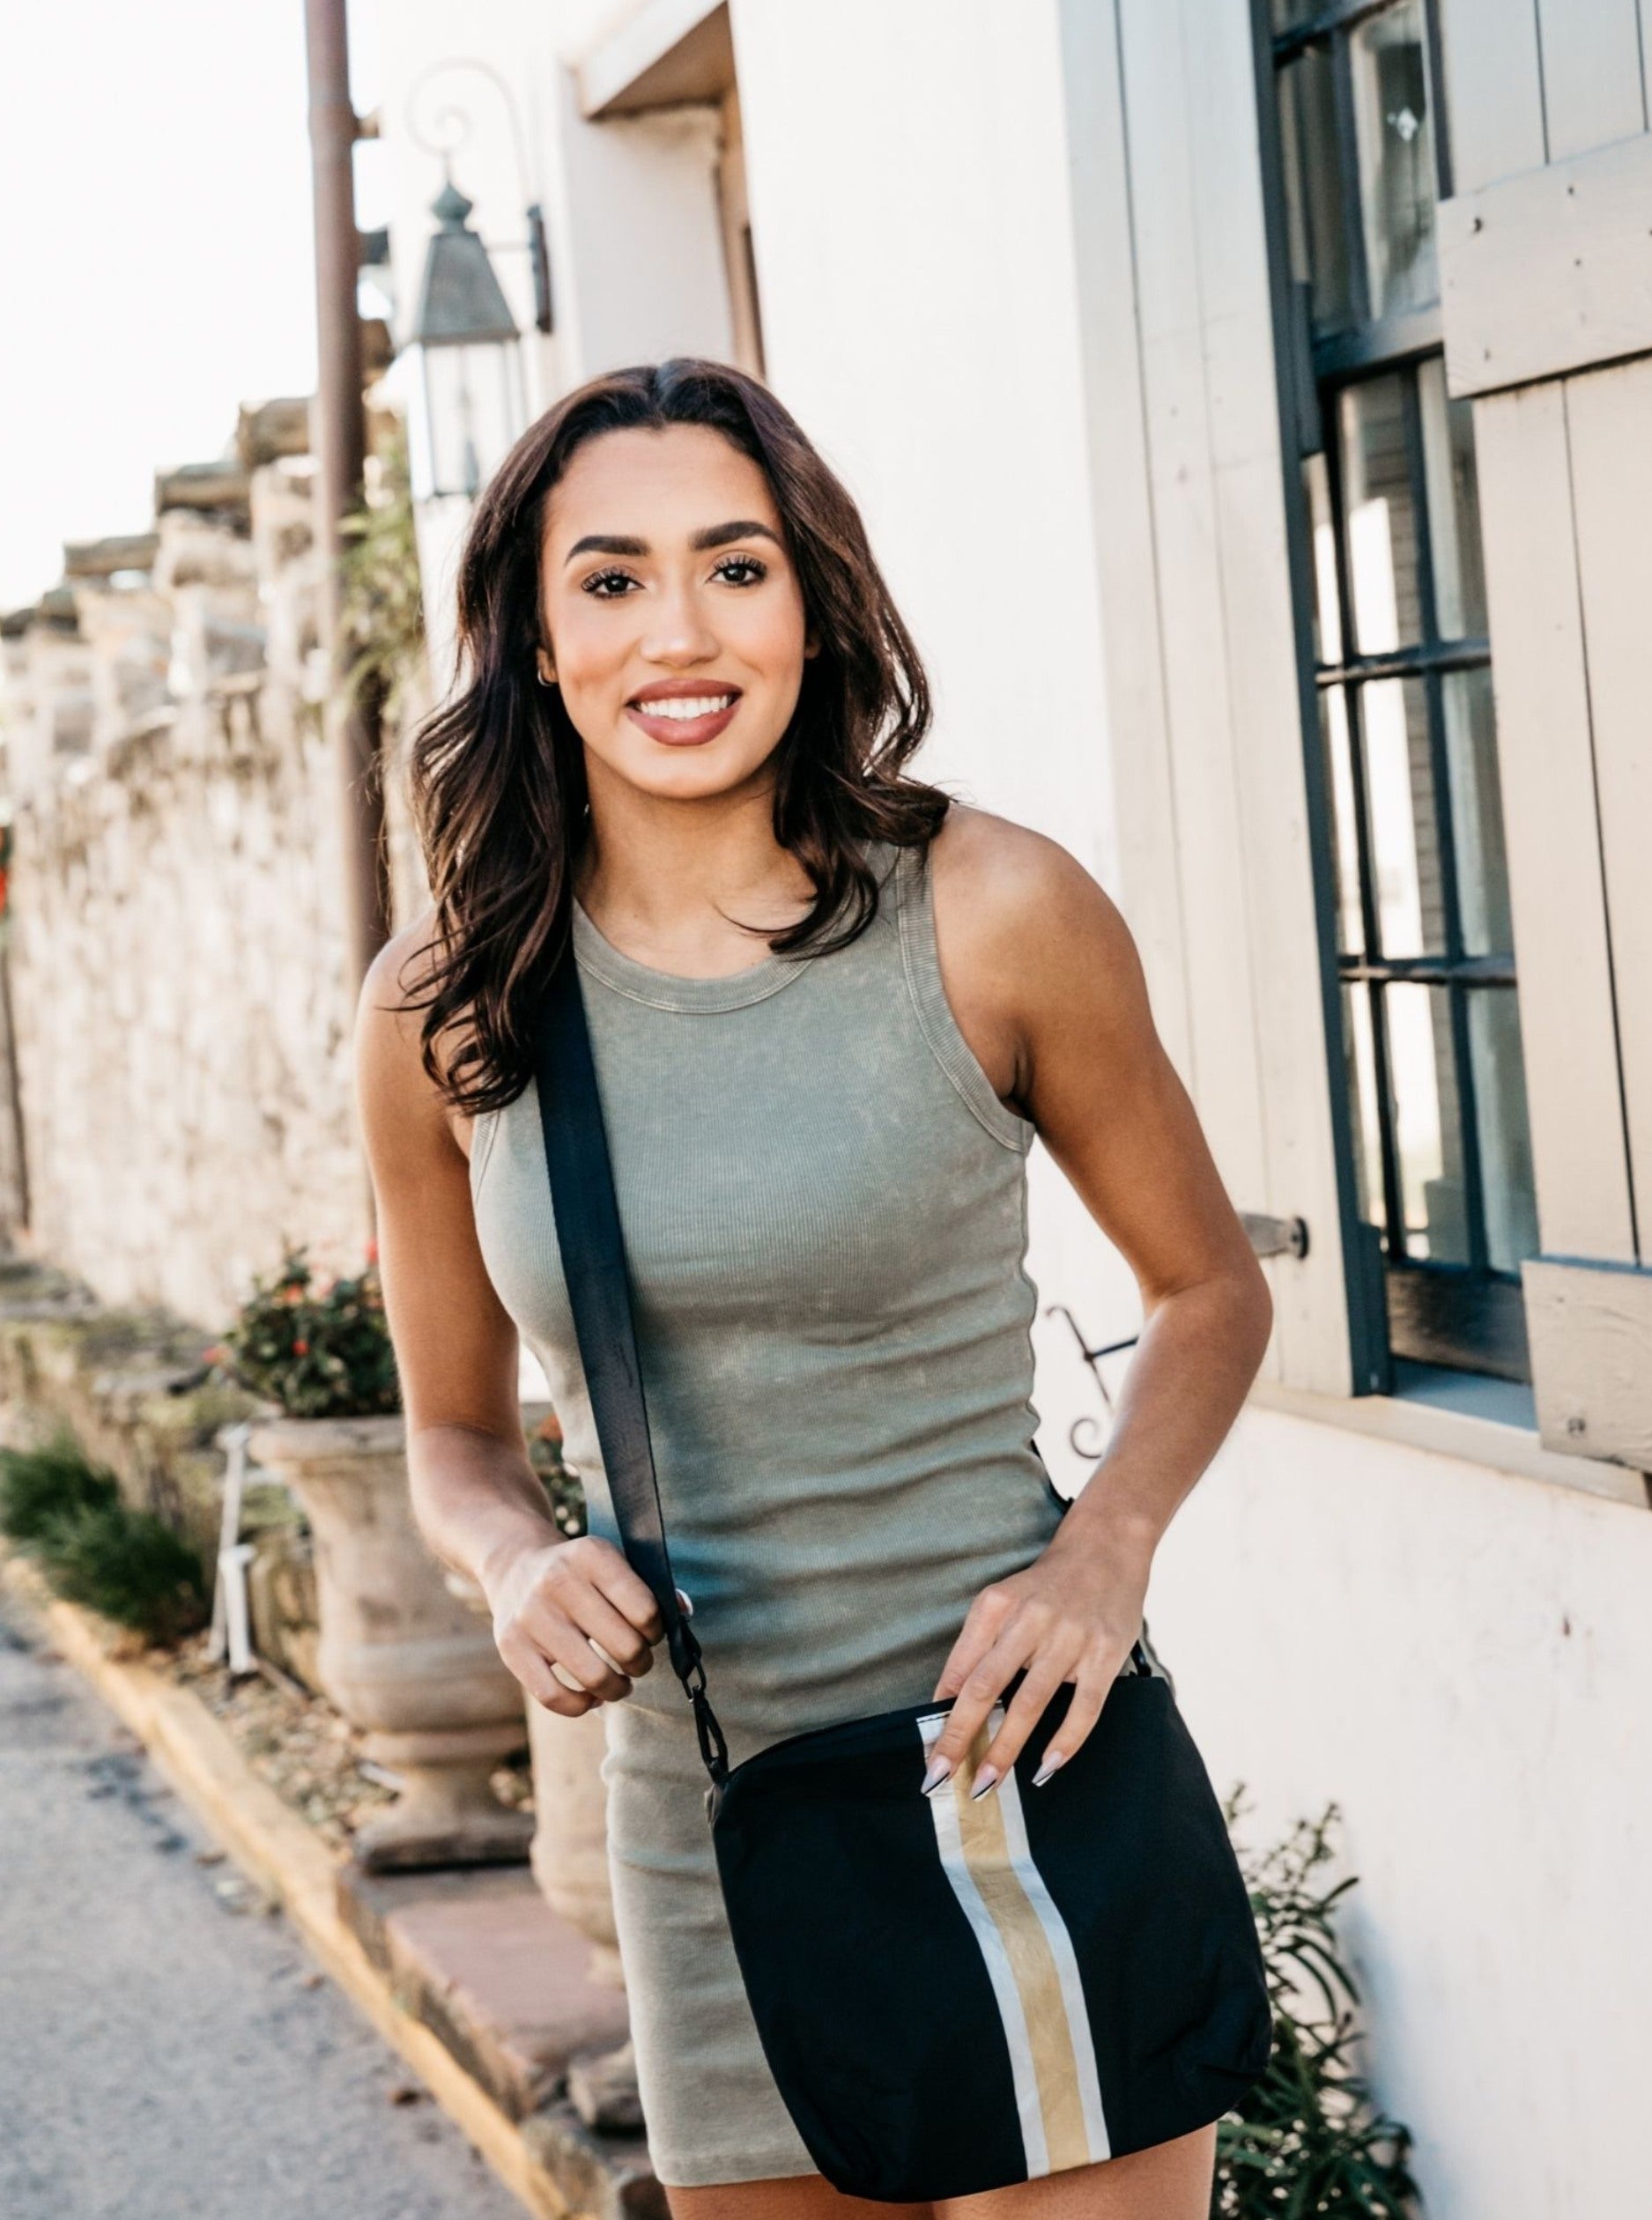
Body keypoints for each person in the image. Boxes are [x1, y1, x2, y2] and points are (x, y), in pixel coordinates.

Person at [355, 358, 1272, 2220]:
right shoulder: (445, 1009)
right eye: (609, 580)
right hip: (714, 1824)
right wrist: (517, 1563)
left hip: (1023, 1764)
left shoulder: (994, 911)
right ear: (534, 640)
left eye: (735, 567)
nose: (676, 634)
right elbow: (450, 1434)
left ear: (811, 599)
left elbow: (1210, 1289)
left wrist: (1102, 1554)